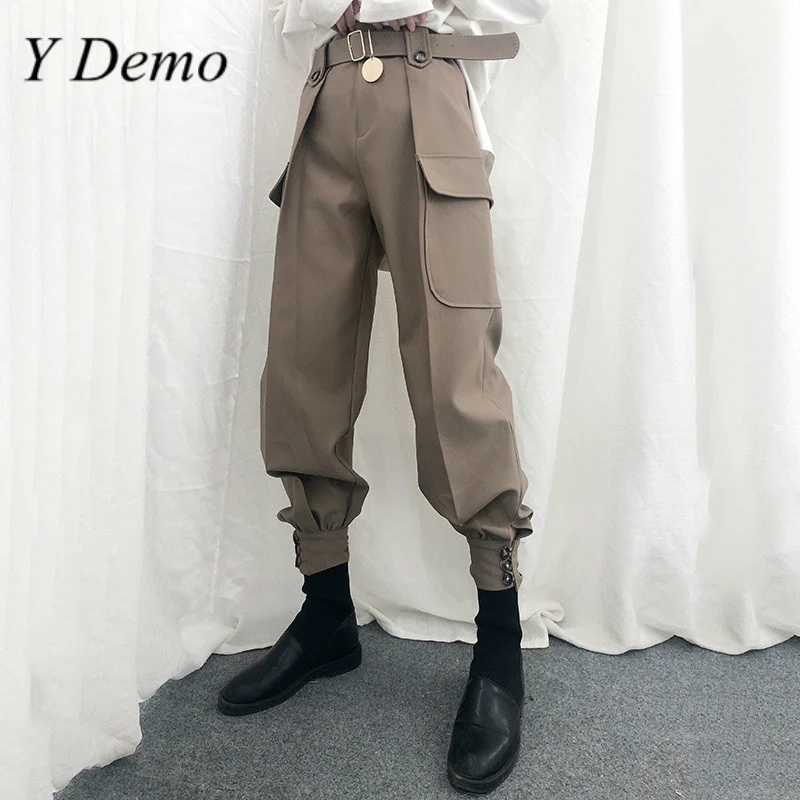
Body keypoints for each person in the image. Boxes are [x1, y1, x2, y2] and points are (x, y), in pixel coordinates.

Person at [217, 0, 552, 793]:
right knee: (303, 362)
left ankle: (499, 647)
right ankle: (325, 611)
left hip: (427, 90)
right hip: (327, 98)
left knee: (454, 373)